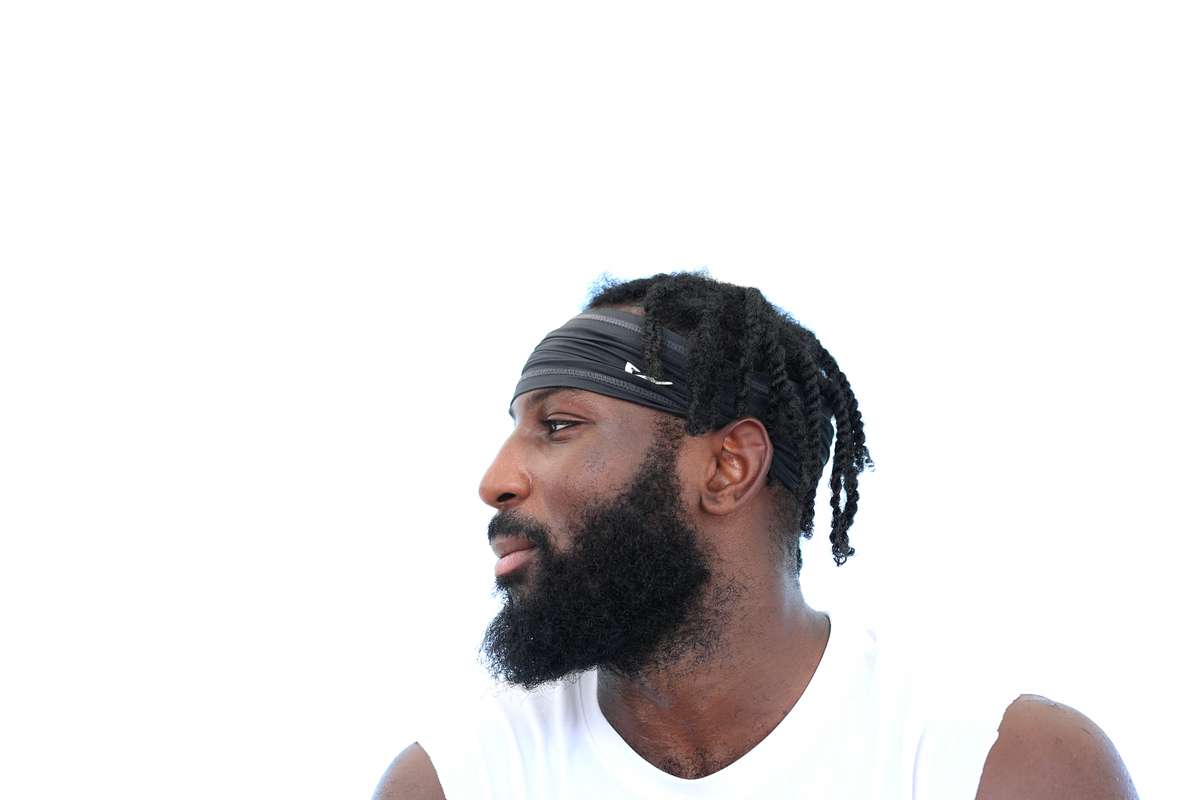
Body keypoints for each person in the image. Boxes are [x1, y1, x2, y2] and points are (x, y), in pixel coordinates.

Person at [374, 272, 1138, 799]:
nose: (496, 480)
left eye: (558, 426)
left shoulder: (998, 769)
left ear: (727, 467)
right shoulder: (456, 782)